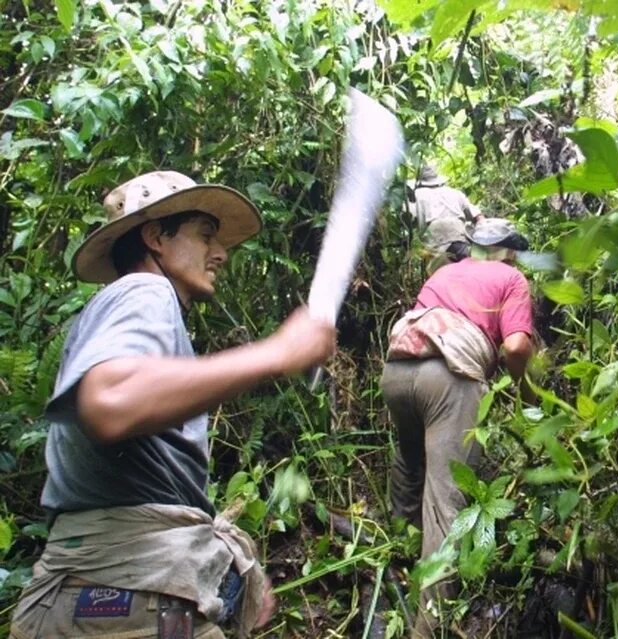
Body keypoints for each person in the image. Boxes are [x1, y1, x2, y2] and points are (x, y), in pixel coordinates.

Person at [10, 170, 336, 639]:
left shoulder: (129, 308)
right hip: (121, 598)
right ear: (154, 237)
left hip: (99, 593)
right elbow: (110, 401)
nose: (220, 253)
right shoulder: (144, 291)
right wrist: (275, 353)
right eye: (205, 237)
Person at [381, 218, 536, 636]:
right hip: (448, 380)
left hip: (396, 372)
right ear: (507, 251)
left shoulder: (444, 272)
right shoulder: (511, 277)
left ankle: (397, 553)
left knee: (410, 460)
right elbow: (516, 345)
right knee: (445, 502)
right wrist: (527, 391)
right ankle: (428, 627)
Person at [410, 164, 483, 263]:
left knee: (439, 272)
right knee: (464, 266)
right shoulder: (454, 192)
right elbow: (476, 214)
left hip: (435, 236)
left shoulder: (417, 195)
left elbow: (411, 218)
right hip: (457, 232)